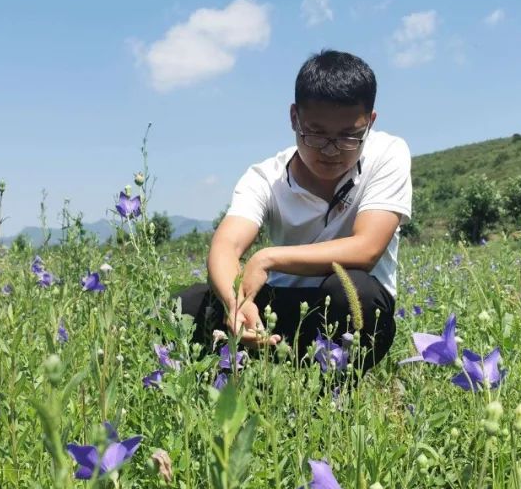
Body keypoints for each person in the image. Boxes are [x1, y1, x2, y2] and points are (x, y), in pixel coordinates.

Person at [177, 49, 412, 371]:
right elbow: (226, 245)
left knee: (353, 288)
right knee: (188, 305)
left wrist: (268, 257)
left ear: (370, 122)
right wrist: (237, 305)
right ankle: (230, 379)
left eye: (348, 137)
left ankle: (338, 390)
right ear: (293, 118)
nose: (331, 151)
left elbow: (367, 249)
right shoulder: (265, 177)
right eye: (315, 134)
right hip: (278, 315)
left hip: (350, 313)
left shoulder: (388, 153)